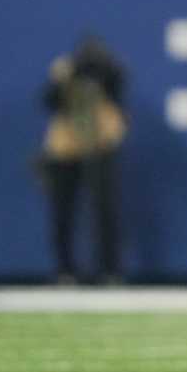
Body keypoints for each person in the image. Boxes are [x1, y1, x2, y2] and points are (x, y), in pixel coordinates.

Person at [38, 37, 128, 284]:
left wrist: (104, 71)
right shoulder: (64, 72)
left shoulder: (108, 73)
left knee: (104, 210)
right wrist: (62, 78)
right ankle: (65, 269)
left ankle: (110, 270)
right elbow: (49, 102)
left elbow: (119, 89)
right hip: (66, 146)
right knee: (63, 211)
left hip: (100, 143)